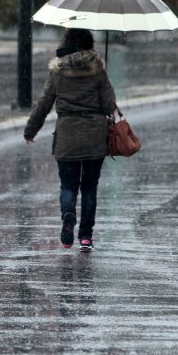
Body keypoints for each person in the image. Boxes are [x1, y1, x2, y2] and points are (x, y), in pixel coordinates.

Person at [24, 28, 118, 250]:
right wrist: (105, 81)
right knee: (89, 188)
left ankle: (68, 216)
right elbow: (108, 105)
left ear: (67, 43)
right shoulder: (98, 70)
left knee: (68, 186)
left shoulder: (58, 71)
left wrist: (31, 130)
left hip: (67, 136)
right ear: (89, 45)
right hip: (95, 136)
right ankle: (86, 236)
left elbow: (44, 104)